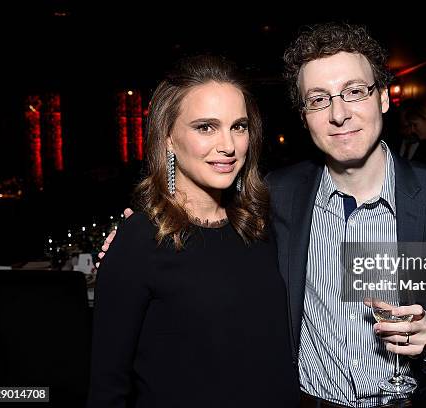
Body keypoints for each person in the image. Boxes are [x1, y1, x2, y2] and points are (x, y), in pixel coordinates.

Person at [101, 23, 426, 408]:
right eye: (318, 99)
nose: (338, 114)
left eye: (354, 91)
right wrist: (131, 244)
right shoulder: (278, 197)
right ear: (304, 115)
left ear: (383, 97)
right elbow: (199, 228)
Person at [86, 55, 299, 408]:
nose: (228, 146)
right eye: (205, 127)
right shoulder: (140, 239)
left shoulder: (261, 227)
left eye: (239, 126)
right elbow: (108, 387)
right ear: (168, 137)